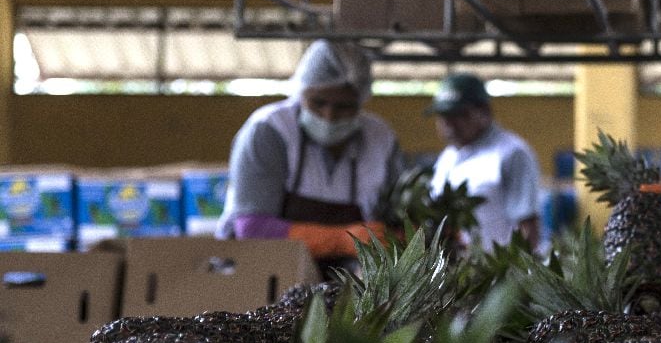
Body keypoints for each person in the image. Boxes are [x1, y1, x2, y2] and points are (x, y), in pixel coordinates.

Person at [217, 39, 404, 270]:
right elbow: (252, 228)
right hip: (262, 272)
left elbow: (396, 222)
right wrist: (345, 240)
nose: (329, 116)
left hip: (346, 282)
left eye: (344, 106)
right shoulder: (270, 131)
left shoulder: (381, 139)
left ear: (361, 101)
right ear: (301, 91)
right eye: (318, 102)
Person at [427, 72, 542, 251]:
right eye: (443, 116)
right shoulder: (447, 158)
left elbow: (528, 227)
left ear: (485, 112)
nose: (448, 123)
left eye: (458, 114)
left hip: (497, 274)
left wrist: (516, 273)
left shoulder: (511, 153)